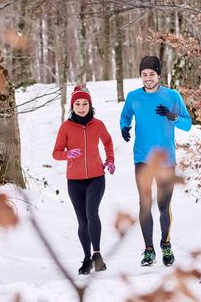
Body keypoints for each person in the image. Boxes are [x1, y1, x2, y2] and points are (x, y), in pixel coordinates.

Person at [119, 56, 192, 267]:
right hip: (142, 158)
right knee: (144, 204)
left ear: (159, 74)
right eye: (144, 74)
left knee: (163, 206)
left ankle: (166, 244)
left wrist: (173, 116)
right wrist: (124, 127)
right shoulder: (133, 97)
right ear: (140, 75)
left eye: (152, 74)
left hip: (166, 160)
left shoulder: (172, 96)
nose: (148, 78)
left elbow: (187, 125)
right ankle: (148, 250)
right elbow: (125, 116)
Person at [52, 84, 115, 275]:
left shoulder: (98, 125)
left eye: (84, 103)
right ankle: (87, 258)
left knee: (91, 213)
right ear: (73, 106)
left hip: (96, 177)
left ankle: (97, 255)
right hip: (74, 181)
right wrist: (68, 154)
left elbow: (108, 142)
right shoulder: (66, 127)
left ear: (90, 105)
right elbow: (56, 153)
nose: (81, 107)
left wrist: (110, 160)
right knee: (82, 221)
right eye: (77, 103)